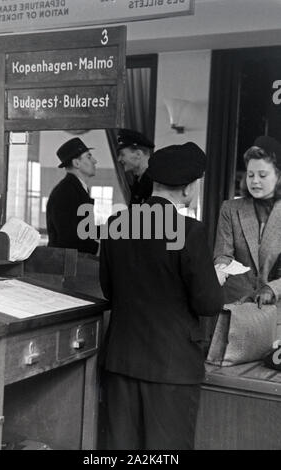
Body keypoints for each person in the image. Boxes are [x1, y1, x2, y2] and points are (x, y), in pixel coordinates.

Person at [99, 143, 223, 450]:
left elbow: (110, 292)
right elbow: (208, 304)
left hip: (121, 362)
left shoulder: (116, 224)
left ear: (154, 181)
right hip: (172, 368)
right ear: (189, 188)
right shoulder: (189, 231)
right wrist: (216, 278)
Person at [214, 135, 281, 307]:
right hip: (236, 306)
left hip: (276, 310)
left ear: (278, 177)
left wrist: (272, 289)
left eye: (262, 175)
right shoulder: (230, 208)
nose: (255, 181)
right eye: (250, 175)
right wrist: (219, 271)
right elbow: (223, 254)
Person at [46, 137, 99, 255]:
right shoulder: (65, 192)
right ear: (76, 163)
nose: (95, 161)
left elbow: (85, 230)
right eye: (89, 157)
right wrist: (100, 250)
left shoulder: (76, 188)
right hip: (67, 266)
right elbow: (70, 238)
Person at [117, 128, 154, 205]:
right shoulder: (139, 180)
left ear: (138, 154)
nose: (119, 159)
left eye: (122, 154)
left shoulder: (154, 183)